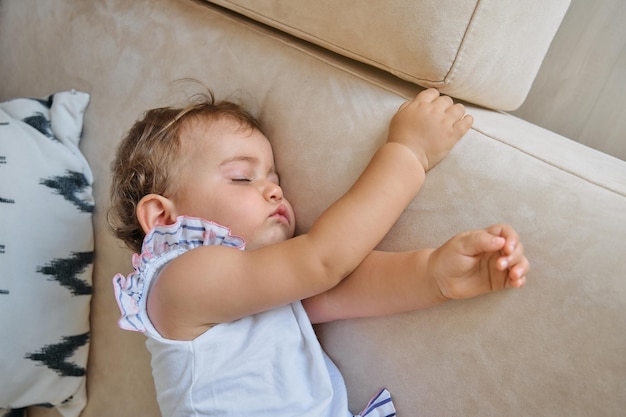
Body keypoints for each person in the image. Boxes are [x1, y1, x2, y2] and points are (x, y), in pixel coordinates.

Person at [109, 88, 529, 417]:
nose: (274, 189)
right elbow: (324, 261)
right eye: (241, 177)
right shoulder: (180, 280)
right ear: (163, 219)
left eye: (274, 177)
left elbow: (344, 287)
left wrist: (436, 274)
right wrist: (409, 153)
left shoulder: (252, 281)